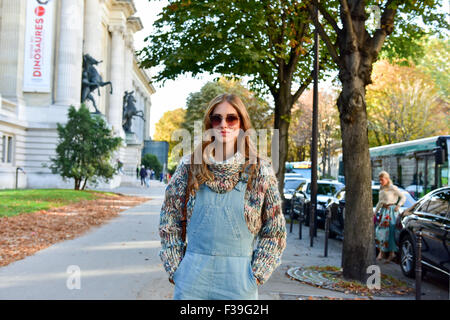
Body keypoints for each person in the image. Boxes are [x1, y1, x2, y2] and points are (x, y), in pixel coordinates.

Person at [159, 93, 287, 300]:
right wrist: (176, 268)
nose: (223, 124)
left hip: (239, 285)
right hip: (191, 282)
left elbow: (274, 230)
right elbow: (169, 220)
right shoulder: (189, 168)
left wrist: (256, 274)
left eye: (231, 118)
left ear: (242, 124)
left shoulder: (259, 170)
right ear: (208, 123)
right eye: (216, 118)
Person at [374, 170, 406, 262]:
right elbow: (380, 202)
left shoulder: (393, 188)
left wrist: (398, 205)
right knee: (380, 231)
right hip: (384, 211)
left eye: (382, 180)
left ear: (387, 179)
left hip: (391, 211)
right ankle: (382, 252)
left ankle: (391, 253)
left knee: (390, 232)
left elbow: (403, 197)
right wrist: (375, 212)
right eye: (379, 180)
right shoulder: (381, 188)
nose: (380, 181)